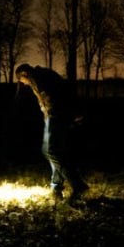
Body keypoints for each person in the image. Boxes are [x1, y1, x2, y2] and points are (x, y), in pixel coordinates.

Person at [15, 63, 89, 205]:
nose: (24, 84)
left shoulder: (38, 78)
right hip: (56, 116)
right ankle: (56, 188)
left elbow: (51, 96)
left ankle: (78, 185)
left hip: (57, 116)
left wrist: (52, 114)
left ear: (24, 74)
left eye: (22, 80)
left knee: (50, 151)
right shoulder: (42, 75)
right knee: (57, 152)